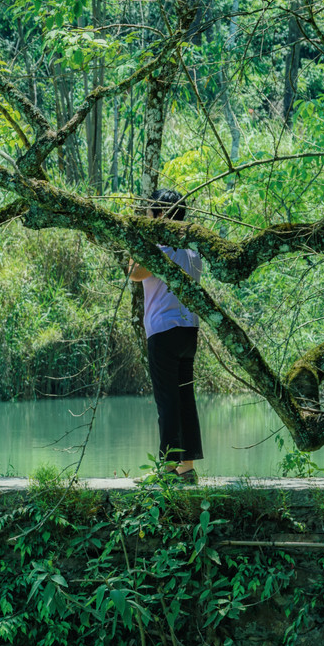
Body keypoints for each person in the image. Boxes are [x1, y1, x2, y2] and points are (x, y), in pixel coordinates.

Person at [127, 187, 202, 482]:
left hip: (163, 333)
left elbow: (133, 272)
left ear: (160, 214)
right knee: (185, 399)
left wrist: (138, 240)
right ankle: (187, 468)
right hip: (189, 332)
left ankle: (168, 469)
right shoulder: (192, 250)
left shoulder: (159, 250)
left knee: (167, 402)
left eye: (149, 212)